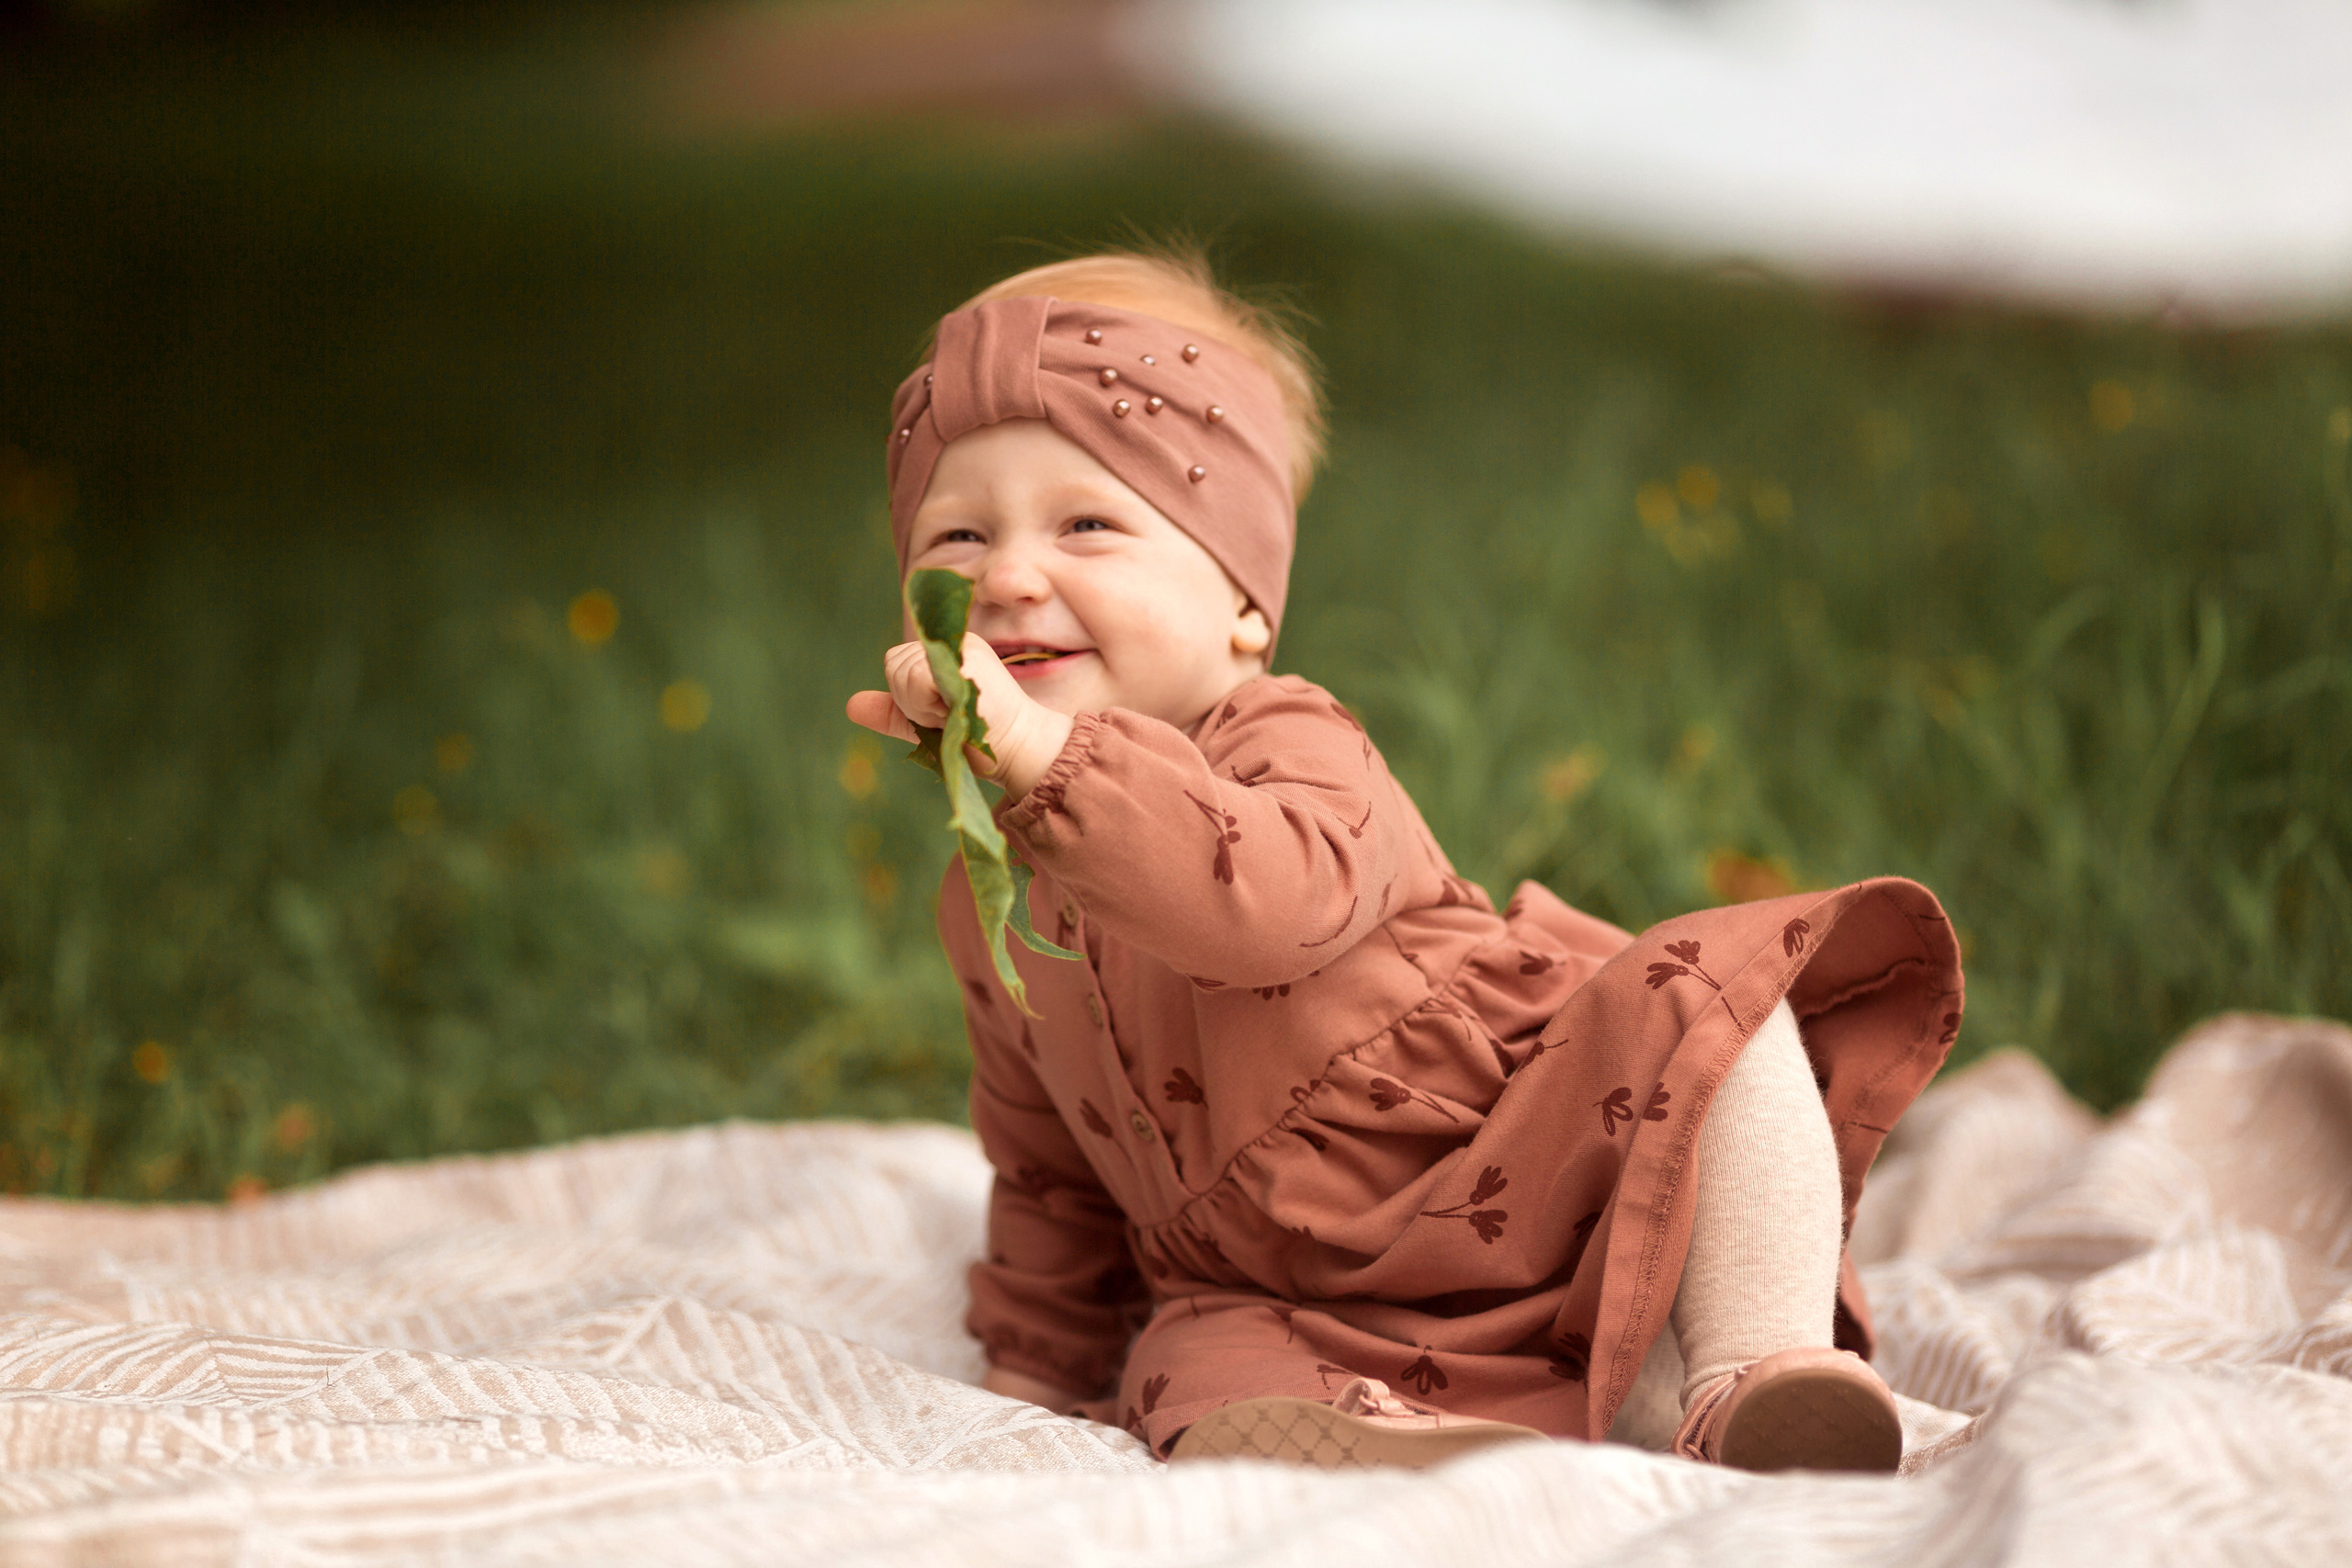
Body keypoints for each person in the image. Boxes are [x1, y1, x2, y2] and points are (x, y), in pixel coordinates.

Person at [845, 250, 1962, 1472]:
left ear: (1242, 605)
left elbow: (1257, 903)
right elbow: (1050, 1161)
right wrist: (1030, 1374)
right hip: (1301, 1292)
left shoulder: (1290, 742)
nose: (1005, 579)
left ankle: (1756, 1368)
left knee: (1721, 1006)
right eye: (955, 536)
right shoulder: (987, 887)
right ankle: (1416, 1444)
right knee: (1181, 1361)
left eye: (1087, 524)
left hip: (1526, 1167)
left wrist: (1053, 762)